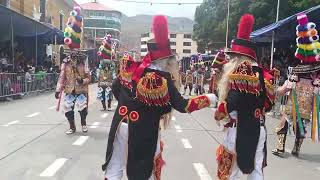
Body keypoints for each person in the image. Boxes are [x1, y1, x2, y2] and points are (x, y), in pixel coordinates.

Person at [102, 15, 217, 180]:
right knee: (146, 172)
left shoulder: (132, 68)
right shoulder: (163, 78)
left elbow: (115, 87)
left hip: (120, 123)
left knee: (114, 167)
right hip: (144, 130)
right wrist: (209, 99)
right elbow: (184, 106)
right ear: (167, 60)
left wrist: (128, 104)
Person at [214, 14, 275, 180]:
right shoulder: (264, 75)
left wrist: (218, 113)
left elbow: (232, 103)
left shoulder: (241, 73)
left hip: (238, 131)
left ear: (238, 57)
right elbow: (268, 105)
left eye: (232, 56)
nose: (229, 60)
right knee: (256, 171)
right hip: (259, 128)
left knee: (229, 173)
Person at [272, 13, 320, 156]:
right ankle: (296, 149)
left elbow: (286, 88)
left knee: (283, 122)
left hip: (293, 105)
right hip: (307, 107)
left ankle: (280, 147)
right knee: (301, 127)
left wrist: (274, 91)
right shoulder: (316, 75)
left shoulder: (297, 71)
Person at [55, 52, 91, 134]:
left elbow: (89, 78)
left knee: (83, 109)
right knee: (67, 109)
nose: (73, 56)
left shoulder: (83, 63)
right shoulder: (65, 63)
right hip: (69, 90)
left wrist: (82, 81)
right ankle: (72, 127)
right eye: (72, 54)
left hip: (81, 90)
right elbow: (61, 77)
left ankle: (83, 124)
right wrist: (58, 90)